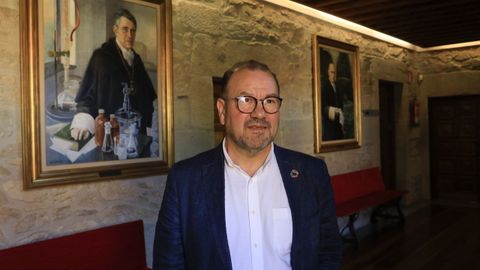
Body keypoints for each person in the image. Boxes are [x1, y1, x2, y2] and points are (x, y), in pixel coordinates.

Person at [153, 60, 342, 269]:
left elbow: (328, 253)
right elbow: (169, 264)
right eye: (246, 100)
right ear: (222, 111)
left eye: (269, 101)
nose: (259, 113)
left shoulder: (312, 174)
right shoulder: (184, 181)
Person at [70, 8, 156, 140]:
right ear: (115, 30)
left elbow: (147, 98)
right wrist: (83, 122)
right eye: (125, 29)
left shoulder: (136, 59)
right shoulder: (101, 57)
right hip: (110, 131)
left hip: (135, 131)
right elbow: (86, 97)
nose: (130, 35)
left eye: (133, 31)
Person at [321, 60, 345, 140]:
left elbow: (340, 103)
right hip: (330, 124)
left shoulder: (337, 87)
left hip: (338, 122)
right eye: (331, 72)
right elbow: (323, 107)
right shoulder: (325, 87)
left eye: (334, 73)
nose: (333, 75)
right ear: (327, 72)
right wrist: (333, 110)